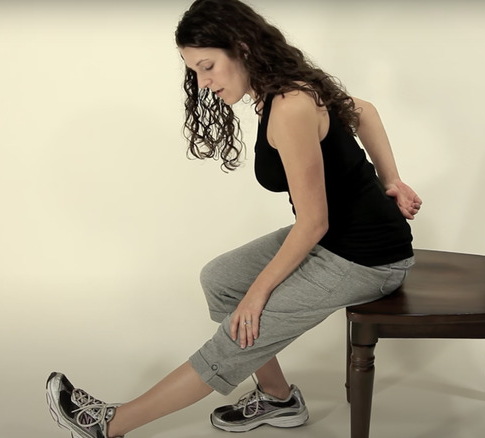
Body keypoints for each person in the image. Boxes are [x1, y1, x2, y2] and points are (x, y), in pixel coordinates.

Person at [45, 0, 422, 437]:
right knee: (221, 279)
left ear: (241, 47)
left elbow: (313, 221)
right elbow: (366, 111)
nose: (203, 83)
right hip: (334, 239)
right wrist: (391, 178)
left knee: (241, 322)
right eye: (195, 72)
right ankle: (279, 399)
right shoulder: (275, 91)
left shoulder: (291, 103)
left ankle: (109, 426)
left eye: (207, 66)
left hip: (366, 258)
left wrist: (258, 293)